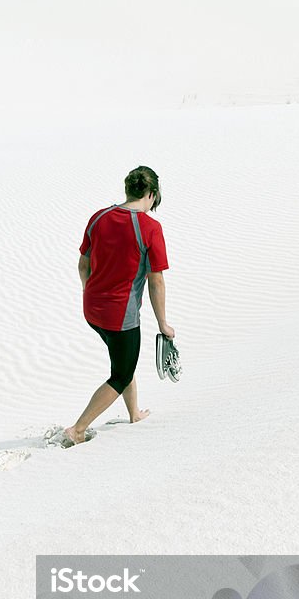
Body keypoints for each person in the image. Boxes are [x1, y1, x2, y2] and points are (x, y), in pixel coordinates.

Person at [62, 165, 175, 446]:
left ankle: (134, 413)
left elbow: (83, 264)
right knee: (121, 374)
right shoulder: (150, 228)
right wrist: (163, 323)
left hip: (92, 310)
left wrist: (90, 292)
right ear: (151, 194)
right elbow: (156, 281)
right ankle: (78, 429)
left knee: (124, 359)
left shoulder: (98, 218)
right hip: (120, 316)